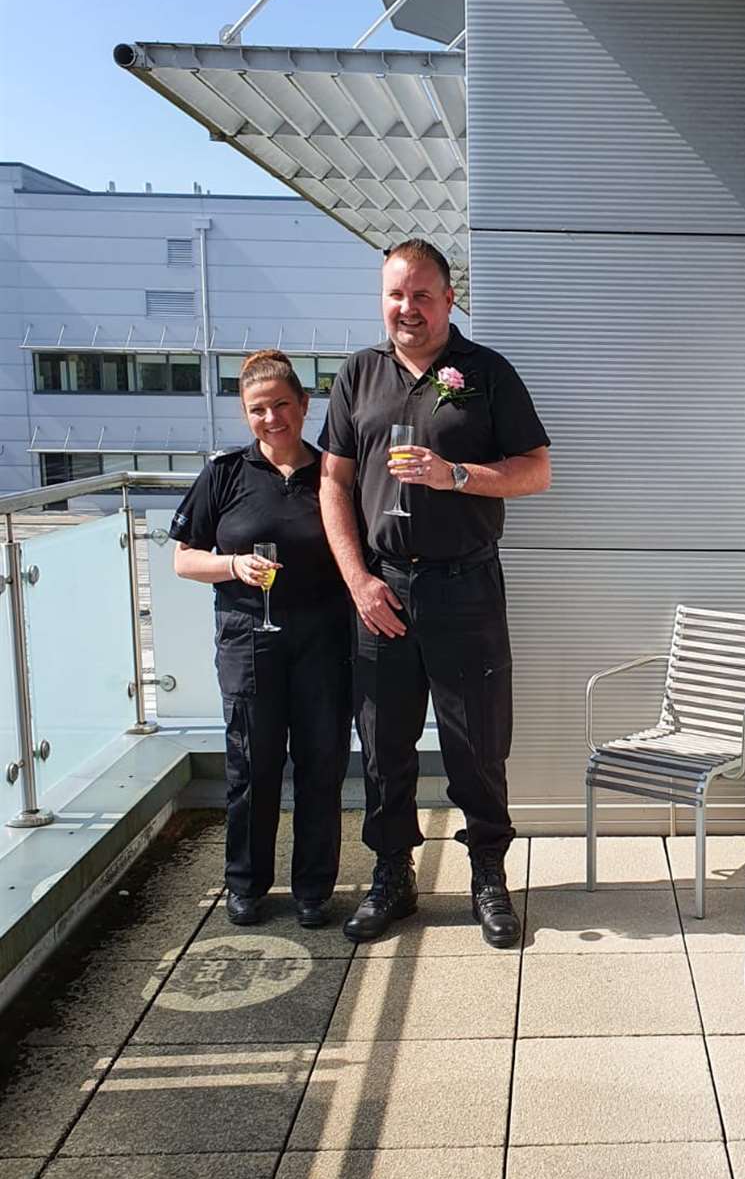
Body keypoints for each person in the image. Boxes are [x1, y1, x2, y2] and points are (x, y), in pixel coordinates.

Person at [319, 239, 550, 949]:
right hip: (382, 589)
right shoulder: (359, 374)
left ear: (450, 298)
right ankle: (394, 875)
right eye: (396, 293)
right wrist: (358, 581)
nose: (407, 307)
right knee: (383, 742)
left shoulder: (485, 372)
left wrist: (455, 476)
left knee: (476, 742)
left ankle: (487, 874)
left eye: (422, 294)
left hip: (465, 587)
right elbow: (332, 484)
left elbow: (534, 471)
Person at [171, 350, 352, 929]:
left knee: (321, 765)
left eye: (281, 405)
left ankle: (313, 890)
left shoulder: (331, 474)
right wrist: (231, 566)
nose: (272, 418)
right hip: (249, 638)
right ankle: (246, 884)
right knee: (253, 766)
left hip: (323, 639)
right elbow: (183, 560)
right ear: (244, 414)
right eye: (257, 409)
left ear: (304, 405)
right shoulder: (224, 474)